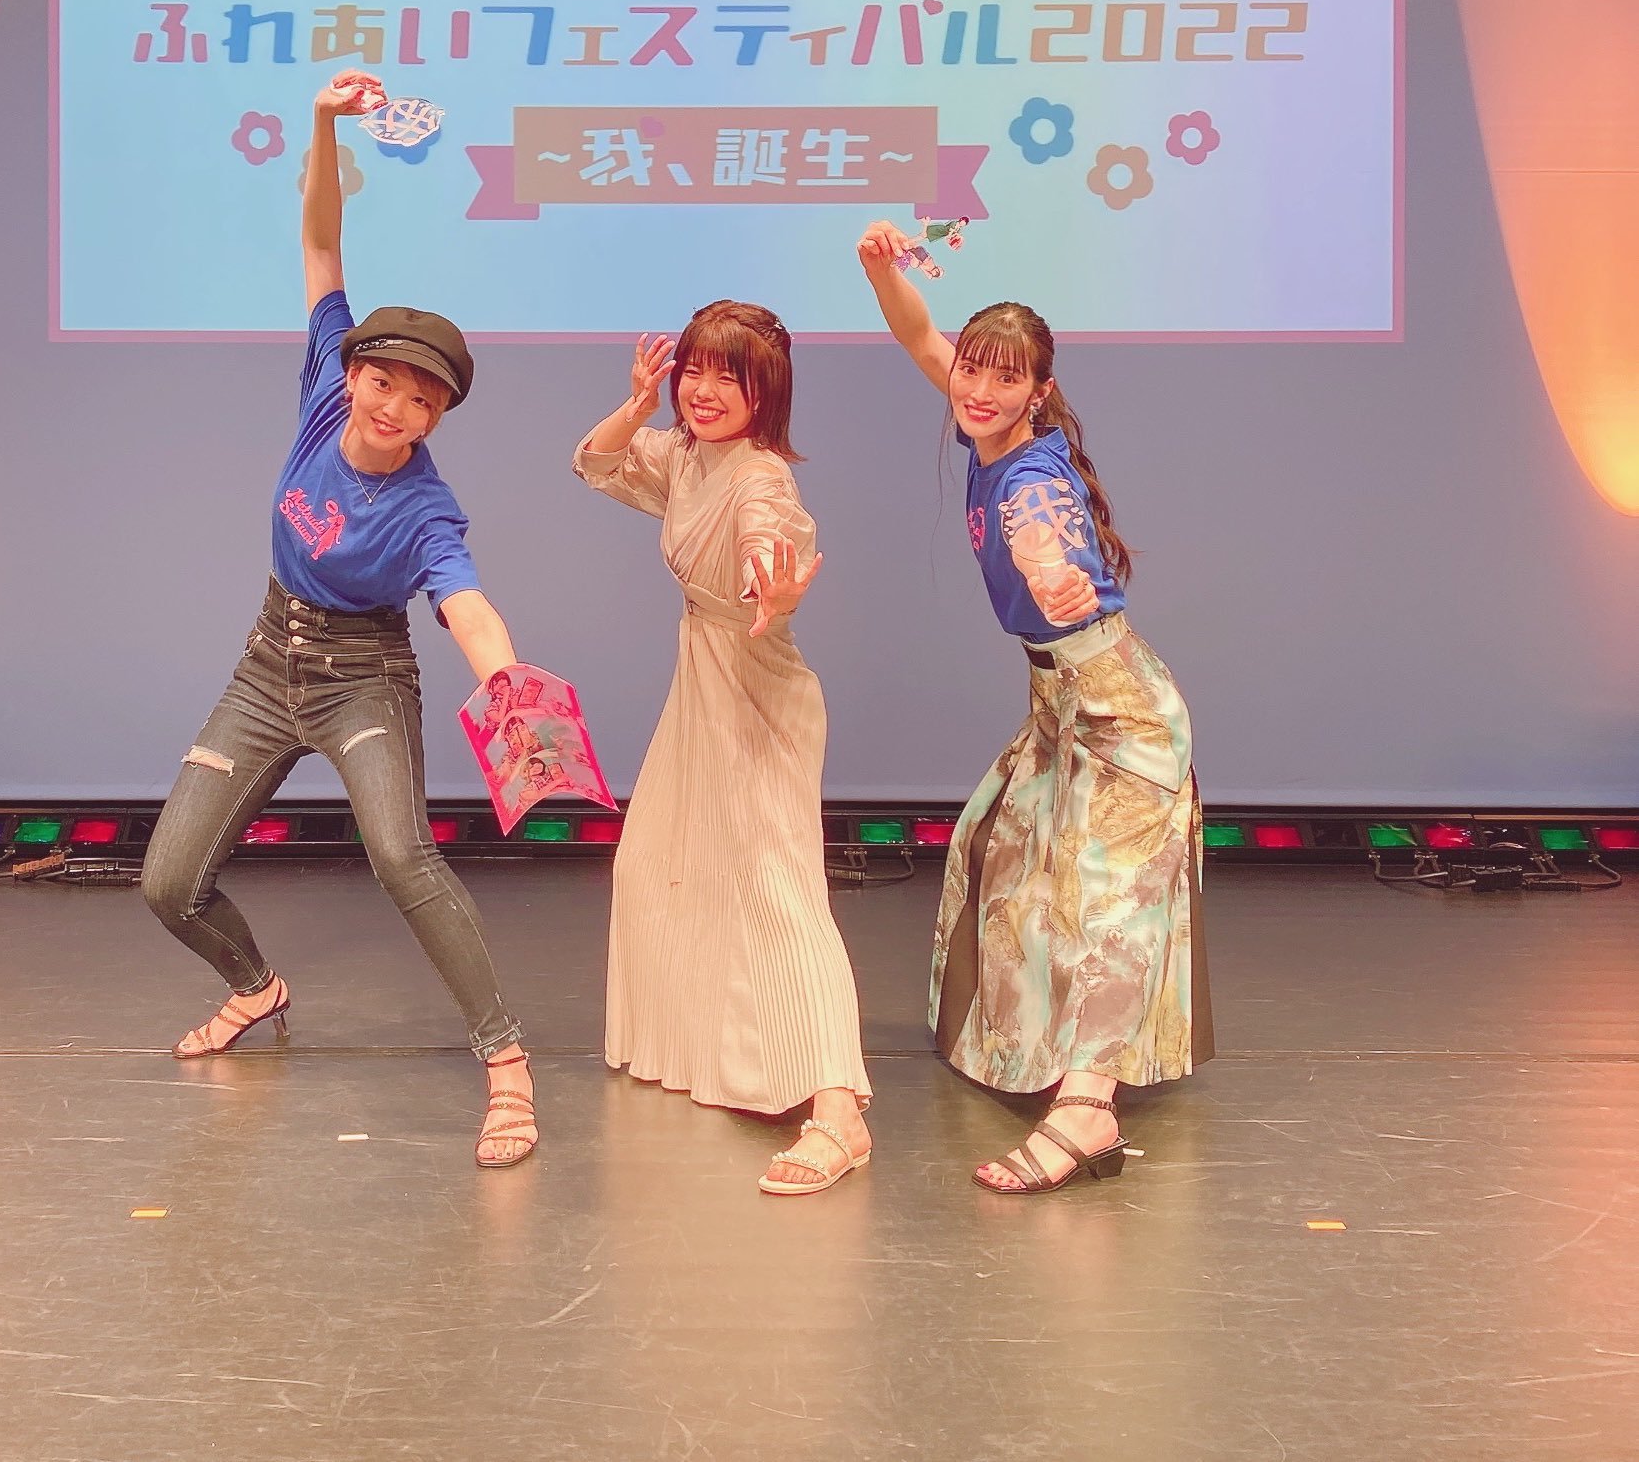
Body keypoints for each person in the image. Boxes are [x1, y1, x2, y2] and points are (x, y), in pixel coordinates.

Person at [138, 72, 538, 1169]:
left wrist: (505, 682)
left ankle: (506, 1062)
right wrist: (320, 122)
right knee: (168, 883)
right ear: (353, 371)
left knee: (403, 856)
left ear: (437, 415)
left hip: (364, 677)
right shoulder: (325, 389)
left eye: (424, 398)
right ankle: (255, 986)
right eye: (385, 381)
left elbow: (466, 603)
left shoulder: (425, 509)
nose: (396, 406)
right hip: (268, 662)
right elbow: (321, 242)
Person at [856, 220, 1212, 1193]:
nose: (975, 387)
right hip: (1062, 703)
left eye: (1002, 378)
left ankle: (1088, 1110)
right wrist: (878, 269)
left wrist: (1050, 571)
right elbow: (914, 333)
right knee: (1011, 864)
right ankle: (1038, 1057)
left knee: (1108, 905)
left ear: (1037, 392)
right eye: (970, 367)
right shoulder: (987, 427)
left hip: (1121, 714)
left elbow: (1039, 533)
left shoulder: (1030, 476)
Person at [573, 303, 873, 1196]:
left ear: (764, 391)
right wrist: (636, 404)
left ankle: (838, 1111)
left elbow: (766, 552)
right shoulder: (683, 453)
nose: (703, 391)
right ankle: (710, 1050)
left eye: (727, 377)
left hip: (756, 691)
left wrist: (772, 595)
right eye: (693, 370)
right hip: (702, 683)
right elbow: (593, 461)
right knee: (655, 864)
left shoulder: (759, 479)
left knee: (778, 888)